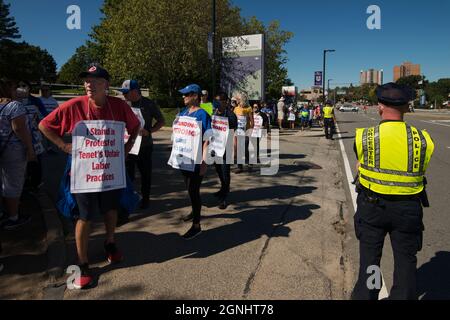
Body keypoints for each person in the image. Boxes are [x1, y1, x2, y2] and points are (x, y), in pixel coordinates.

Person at [39, 65, 141, 289]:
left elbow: (135, 126)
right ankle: (83, 261)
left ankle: (110, 243)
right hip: (83, 171)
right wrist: (62, 145)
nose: (88, 84)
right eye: (86, 80)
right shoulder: (74, 105)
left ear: (106, 85)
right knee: (84, 216)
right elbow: (44, 125)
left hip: (111, 170)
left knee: (110, 209)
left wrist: (128, 145)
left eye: (94, 80)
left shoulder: (119, 106)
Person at [351, 83, 435, 300]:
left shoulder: (365, 136)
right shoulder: (423, 139)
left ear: (380, 107)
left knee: (370, 261)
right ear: (406, 107)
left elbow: (361, 164)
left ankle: (368, 295)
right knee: (406, 261)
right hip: (408, 209)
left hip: (372, 206)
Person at [120, 80, 165, 209]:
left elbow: (161, 121)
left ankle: (145, 199)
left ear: (135, 91)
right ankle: (128, 200)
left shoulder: (149, 104)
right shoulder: (124, 104)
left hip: (144, 146)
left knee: (145, 174)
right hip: (127, 145)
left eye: (126, 93)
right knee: (128, 175)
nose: (124, 95)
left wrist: (149, 131)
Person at [173, 84, 211, 239]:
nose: (183, 97)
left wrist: (204, 162)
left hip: (196, 161)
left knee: (194, 191)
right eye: (183, 94)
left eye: (186, 94)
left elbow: (207, 140)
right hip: (184, 159)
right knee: (189, 189)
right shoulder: (183, 112)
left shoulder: (203, 114)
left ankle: (197, 225)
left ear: (195, 95)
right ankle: (194, 211)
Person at [0, 79, 35, 230]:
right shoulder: (15, 106)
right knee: (12, 183)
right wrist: (30, 148)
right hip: (13, 151)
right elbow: (19, 129)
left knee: (2, 181)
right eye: (15, 88)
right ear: (8, 90)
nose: (17, 91)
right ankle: (13, 217)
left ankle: (3, 212)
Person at [16, 81, 47, 192]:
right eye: (18, 86)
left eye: (24, 86)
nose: (21, 88)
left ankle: (36, 183)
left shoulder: (35, 101)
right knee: (21, 161)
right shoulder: (13, 101)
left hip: (34, 137)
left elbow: (45, 117)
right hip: (19, 137)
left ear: (29, 88)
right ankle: (24, 182)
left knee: (36, 160)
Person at [212, 92, 237, 210]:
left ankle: (224, 198)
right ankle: (223, 188)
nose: (217, 103)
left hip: (226, 148)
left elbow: (232, 133)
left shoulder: (231, 116)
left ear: (225, 102)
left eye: (219, 100)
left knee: (225, 172)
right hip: (215, 147)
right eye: (215, 100)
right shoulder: (213, 113)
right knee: (218, 170)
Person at [233, 92, 254, 173]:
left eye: (238, 99)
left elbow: (252, 121)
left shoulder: (248, 108)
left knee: (245, 148)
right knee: (239, 149)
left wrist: (251, 130)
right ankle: (240, 167)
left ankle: (249, 163)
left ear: (242, 100)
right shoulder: (236, 109)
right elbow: (234, 120)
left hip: (246, 131)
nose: (236, 100)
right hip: (238, 131)